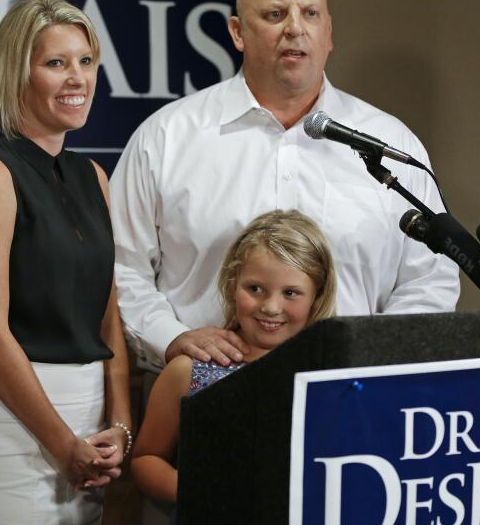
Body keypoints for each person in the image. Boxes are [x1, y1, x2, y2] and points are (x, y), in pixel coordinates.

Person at [109, 0, 459, 374]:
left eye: (310, 14)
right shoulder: (167, 136)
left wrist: (369, 356)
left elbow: (429, 279)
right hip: (204, 396)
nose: (295, 29)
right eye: (275, 15)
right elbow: (120, 267)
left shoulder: (391, 145)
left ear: (328, 32)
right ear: (238, 32)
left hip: (352, 399)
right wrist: (169, 337)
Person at [0, 0, 132, 524]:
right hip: (13, 430)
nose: (77, 78)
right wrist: (60, 442)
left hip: (91, 425)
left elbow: (107, 314)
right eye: (55, 63)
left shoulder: (93, 176)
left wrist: (120, 424)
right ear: (16, 74)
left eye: (85, 61)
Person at [131, 209, 337, 506]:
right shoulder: (189, 370)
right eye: (255, 289)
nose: (271, 307)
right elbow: (146, 459)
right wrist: (206, 495)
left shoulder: (333, 375)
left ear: (316, 297)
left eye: (291, 293)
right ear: (231, 284)